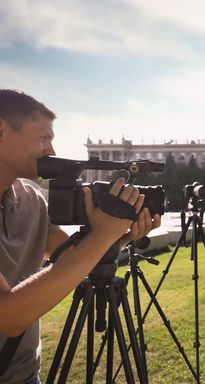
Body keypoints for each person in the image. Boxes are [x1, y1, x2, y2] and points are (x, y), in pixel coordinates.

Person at [0, 89, 161, 384]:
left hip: (24, 373)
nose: (50, 151)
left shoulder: (30, 200)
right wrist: (103, 234)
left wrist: (119, 236)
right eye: (42, 138)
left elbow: (68, 253)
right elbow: (8, 316)